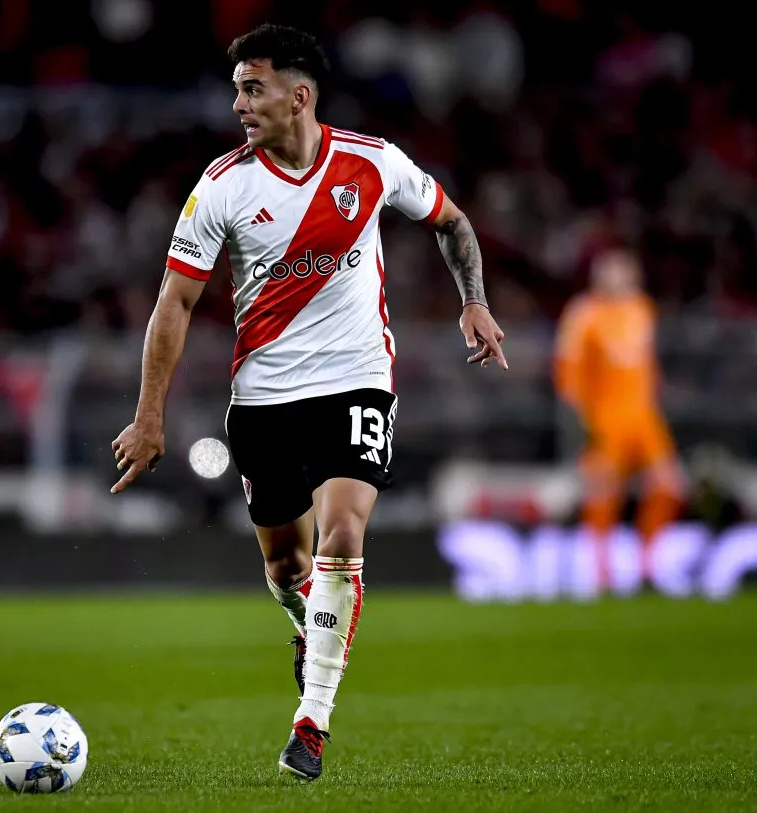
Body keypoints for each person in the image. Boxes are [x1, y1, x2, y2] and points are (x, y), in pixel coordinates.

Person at [110, 23, 506, 780]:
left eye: (251, 88)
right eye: (236, 90)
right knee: (289, 567)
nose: (238, 105)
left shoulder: (372, 163)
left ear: (299, 96)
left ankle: (311, 723)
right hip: (263, 398)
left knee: (343, 536)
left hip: (357, 380)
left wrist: (473, 302)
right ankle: (309, 625)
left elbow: (451, 222)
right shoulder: (223, 184)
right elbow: (175, 301)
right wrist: (150, 412)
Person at [554, 244, 684, 590]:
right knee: (603, 494)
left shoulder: (642, 309)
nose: (618, 276)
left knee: (669, 487)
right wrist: (582, 420)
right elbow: (568, 373)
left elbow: (648, 363)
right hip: (604, 418)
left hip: (644, 416)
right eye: (610, 269)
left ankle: (647, 565)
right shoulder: (583, 314)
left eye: (624, 269)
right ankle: (602, 572)